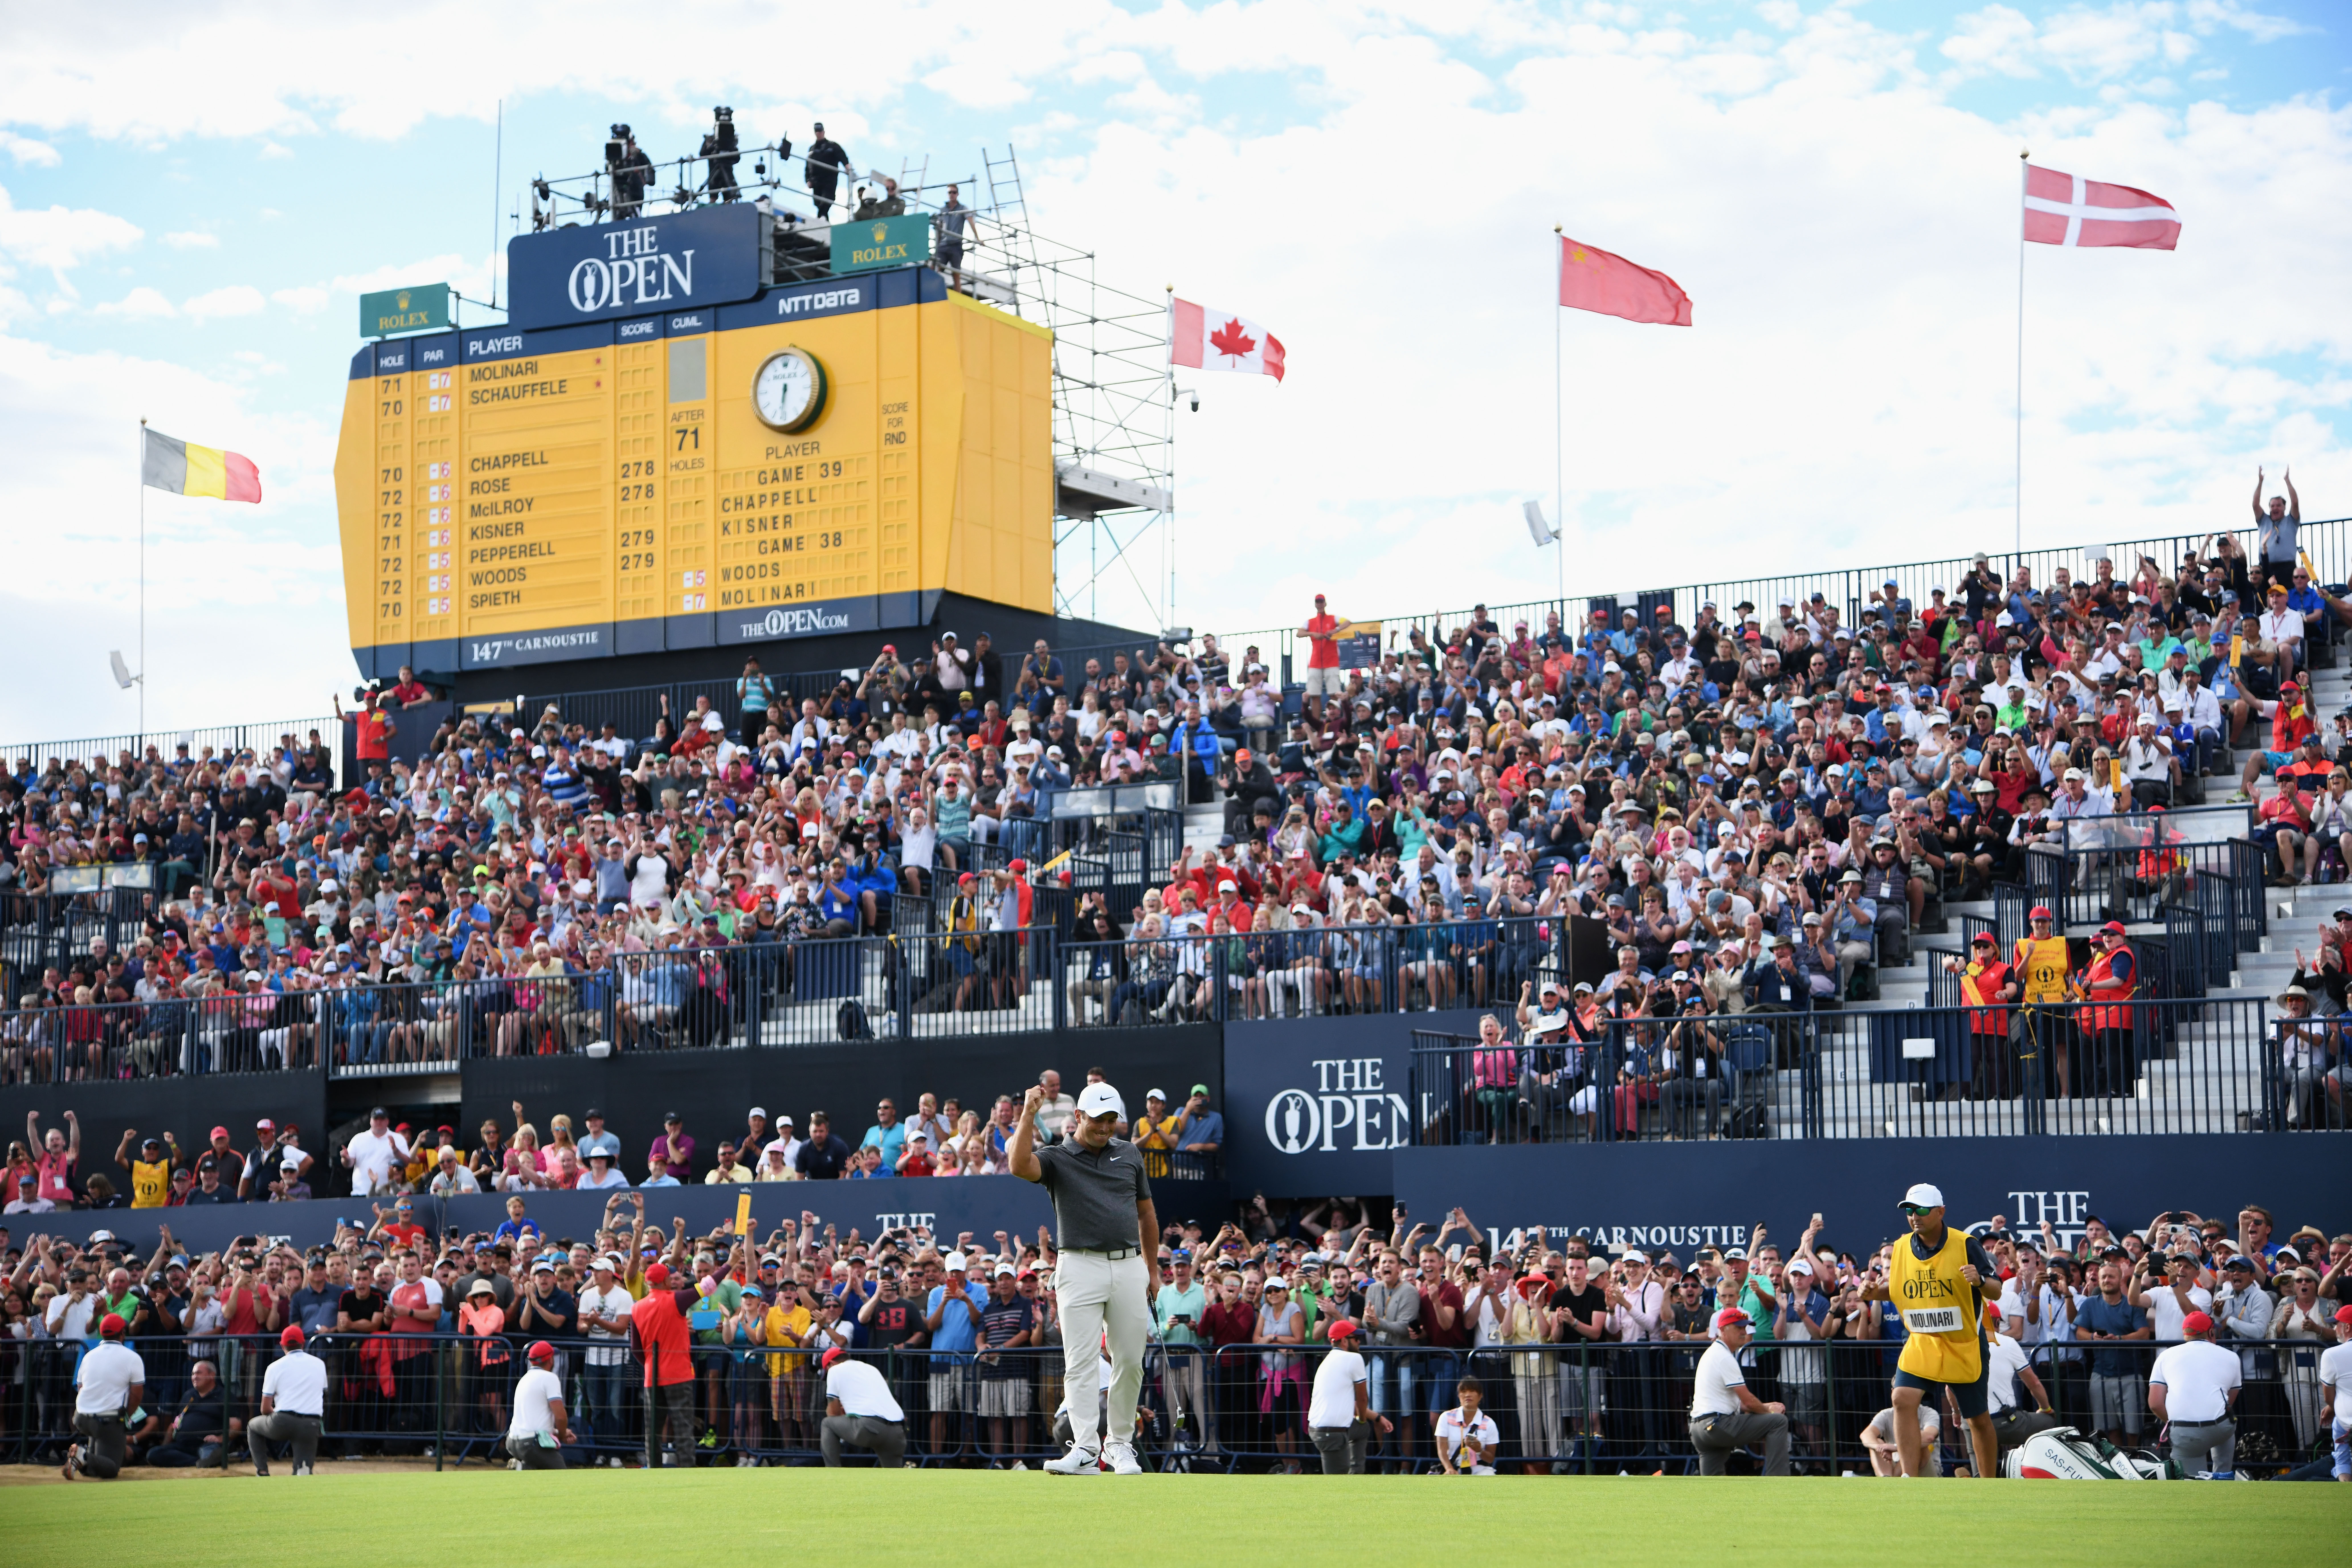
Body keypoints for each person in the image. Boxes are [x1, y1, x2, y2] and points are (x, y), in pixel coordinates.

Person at [1010, 1078, 1156, 1475]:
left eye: (1112, 1120)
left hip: (1129, 1266)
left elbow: (1146, 1213)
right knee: (1080, 1363)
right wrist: (1028, 1114)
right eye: (1098, 1120)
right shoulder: (1058, 1158)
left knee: (1130, 1359)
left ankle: (1120, 1446)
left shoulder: (1129, 1154)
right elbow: (1018, 1165)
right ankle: (1087, 1450)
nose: (1106, 1127)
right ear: (1079, 1117)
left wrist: (1152, 1270)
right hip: (1077, 1264)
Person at [1859, 1181, 1999, 1481]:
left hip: (1963, 1343)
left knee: (1977, 1418)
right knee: (1902, 1399)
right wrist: (1873, 1293)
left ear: (1941, 1211)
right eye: (1909, 1210)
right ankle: (1910, 1477)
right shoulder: (1900, 1247)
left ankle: (1990, 1483)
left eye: (1921, 1209)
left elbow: (1996, 1289)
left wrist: (1979, 1281)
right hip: (1922, 1340)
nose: (1914, 1216)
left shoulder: (1966, 1244)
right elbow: (1896, 1292)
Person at [1687, 1306, 1789, 1475]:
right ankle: (1777, 1484)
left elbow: (1732, 1402)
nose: (1744, 1332)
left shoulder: (1713, 1353)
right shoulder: (1725, 1357)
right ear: (1723, 1331)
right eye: (1738, 1327)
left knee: (1713, 1488)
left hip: (1699, 1430)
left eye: (1745, 1327)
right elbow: (1748, 1401)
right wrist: (1770, 1410)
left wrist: (1765, 1405)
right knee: (1778, 1422)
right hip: (1716, 1426)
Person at [2148, 1310, 2242, 1477]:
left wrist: (2173, 1424)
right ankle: (2223, 1477)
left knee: (2191, 1485)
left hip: (2185, 1433)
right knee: (2227, 1424)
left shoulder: (2165, 1356)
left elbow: (2155, 1403)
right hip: (2220, 1428)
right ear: (2211, 1332)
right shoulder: (2232, 1357)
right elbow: (2228, 1403)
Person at [630, 1262, 698, 1468]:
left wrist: (650, 1363)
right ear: (666, 1281)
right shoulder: (677, 1299)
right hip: (679, 1374)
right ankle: (688, 1469)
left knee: (653, 1431)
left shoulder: (637, 1307)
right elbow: (708, 1286)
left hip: (652, 1375)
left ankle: (654, 1471)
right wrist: (729, 1264)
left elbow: (636, 1348)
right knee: (684, 1427)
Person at [63, 1312, 143, 1481]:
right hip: (107, 1420)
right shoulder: (132, 1357)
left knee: (95, 1469)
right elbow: (136, 1394)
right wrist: (125, 1416)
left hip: (81, 1418)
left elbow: (80, 1387)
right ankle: (83, 1455)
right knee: (111, 1469)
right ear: (122, 1333)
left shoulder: (89, 1356)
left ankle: (83, 1460)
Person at [1306, 1318, 1387, 1473]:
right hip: (1330, 1433)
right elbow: (1363, 1399)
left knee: (1362, 1430)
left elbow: (1353, 1404)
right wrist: (1363, 1419)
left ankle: (1355, 1477)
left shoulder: (1328, 1360)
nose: (1359, 1342)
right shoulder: (1354, 1358)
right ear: (1344, 1341)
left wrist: (1375, 1418)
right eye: (1356, 1339)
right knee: (1337, 1487)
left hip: (1322, 1429)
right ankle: (1352, 1481)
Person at [246, 1324, 327, 1477]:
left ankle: (262, 1471)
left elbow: (265, 1409)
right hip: (311, 1424)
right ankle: (301, 1474)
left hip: (282, 1421)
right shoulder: (320, 1364)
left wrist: (279, 1414)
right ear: (303, 1343)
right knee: (303, 1474)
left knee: (252, 1426)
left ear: (282, 1345)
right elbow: (324, 1396)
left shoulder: (274, 1367)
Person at [819, 1345, 908, 1467]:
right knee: (894, 1478)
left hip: (870, 1429)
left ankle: (833, 1476)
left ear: (832, 1363)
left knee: (827, 1424)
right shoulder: (871, 1368)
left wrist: (844, 1416)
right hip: (897, 1431)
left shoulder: (835, 1370)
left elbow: (833, 1414)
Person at [506, 1340, 575, 1470]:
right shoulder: (550, 1378)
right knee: (561, 1474)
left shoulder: (524, 1379)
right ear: (550, 1360)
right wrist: (561, 1435)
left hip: (513, 1441)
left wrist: (559, 1431)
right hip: (530, 1443)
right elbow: (561, 1417)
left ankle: (524, 1468)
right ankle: (523, 1469)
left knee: (539, 1468)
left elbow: (533, 1421)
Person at [1434, 1375, 1500, 1475]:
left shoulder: (1489, 1423)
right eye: (1463, 1392)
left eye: (1472, 1391)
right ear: (1459, 1396)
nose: (1467, 1395)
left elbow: (1491, 1459)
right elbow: (1442, 1450)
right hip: (1453, 1467)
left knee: (1488, 1476)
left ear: (1480, 1396)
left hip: (1479, 1470)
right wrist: (1449, 1469)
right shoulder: (1446, 1417)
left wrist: (1479, 1450)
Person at [2318, 1304, 2352, 1482]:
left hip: (2347, 1422)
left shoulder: (2332, 1354)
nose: (2334, 1328)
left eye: (2337, 1324)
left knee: (2339, 1426)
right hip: (2345, 1423)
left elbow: (2328, 1397)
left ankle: (2345, 1483)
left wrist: (2333, 1407)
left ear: (2347, 1327)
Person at [1299, 593, 1345, 724]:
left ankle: (1337, 721)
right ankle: (1316, 724)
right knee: (1314, 694)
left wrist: (1335, 630)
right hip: (1315, 662)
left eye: (1321, 602)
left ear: (1325, 603)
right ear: (1315, 604)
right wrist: (1313, 634)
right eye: (1317, 602)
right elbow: (1299, 633)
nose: (1319, 604)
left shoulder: (1333, 618)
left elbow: (1347, 622)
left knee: (1334, 693)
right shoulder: (1310, 622)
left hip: (1331, 661)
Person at [805, 122, 848, 219]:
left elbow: (842, 156)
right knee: (818, 202)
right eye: (817, 131)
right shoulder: (812, 149)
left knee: (828, 199)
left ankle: (822, 217)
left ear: (824, 132)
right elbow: (807, 167)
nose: (819, 133)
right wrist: (808, 180)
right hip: (816, 180)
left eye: (820, 131)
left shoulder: (832, 146)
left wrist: (847, 166)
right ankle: (823, 218)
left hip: (829, 178)